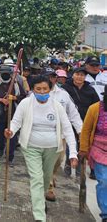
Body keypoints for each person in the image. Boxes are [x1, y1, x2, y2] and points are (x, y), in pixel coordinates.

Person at [5, 75, 78, 222]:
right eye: (38, 89)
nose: (42, 92)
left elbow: (68, 129)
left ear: (50, 89)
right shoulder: (25, 104)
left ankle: (41, 198)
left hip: (52, 149)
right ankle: (39, 216)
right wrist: (10, 131)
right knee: (36, 179)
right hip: (31, 147)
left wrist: (73, 153)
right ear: (33, 90)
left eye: (45, 89)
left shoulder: (56, 106)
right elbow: (16, 122)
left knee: (45, 178)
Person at [42, 68, 83, 201]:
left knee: (58, 161)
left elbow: (73, 114)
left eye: (53, 76)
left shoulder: (63, 95)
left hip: (61, 136)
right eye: (48, 76)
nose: (51, 79)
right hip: (41, 135)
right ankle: (48, 188)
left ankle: (52, 175)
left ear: (55, 78)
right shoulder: (35, 93)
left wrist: (80, 131)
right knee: (45, 162)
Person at [62, 67, 99, 176]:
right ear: (73, 75)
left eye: (82, 75)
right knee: (71, 143)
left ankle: (79, 169)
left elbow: (96, 104)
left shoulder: (90, 89)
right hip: (69, 121)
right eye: (77, 74)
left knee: (83, 145)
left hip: (86, 122)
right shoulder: (65, 88)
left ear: (85, 77)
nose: (79, 77)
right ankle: (68, 165)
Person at [79, 85, 107, 222]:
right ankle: (105, 213)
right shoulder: (95, 108)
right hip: (99, 149)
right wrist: (83, 149)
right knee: (104, 180)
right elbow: (86, 130)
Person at [0, 65, 26, 164]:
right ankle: (1, 147)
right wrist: (0, 99)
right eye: (3, 73)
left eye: (7, 73)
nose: (5, 75)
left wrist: (14, 98)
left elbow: (23, 95)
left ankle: (10, 156)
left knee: (12, 136)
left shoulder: (15, 83)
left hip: (12, 114)